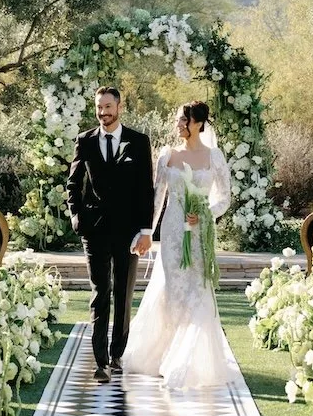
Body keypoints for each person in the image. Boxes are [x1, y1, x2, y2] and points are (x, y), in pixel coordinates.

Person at [122, 100, 241, 390]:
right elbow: (157, 198)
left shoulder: (214, 156)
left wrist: (205, 213)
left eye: (182, 120)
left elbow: (224, 197)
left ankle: (187, 360)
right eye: (177, 120)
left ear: (197, 123)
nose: (177, 124)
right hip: (172, 231)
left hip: (199, 232)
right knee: (172, 287)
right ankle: (163, 353)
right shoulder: (168, 155)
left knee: (197, 288)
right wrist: (147, 232)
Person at [66, 86, 154, 384]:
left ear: (119, 107)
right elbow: (73, 183)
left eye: (107, 106)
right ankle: (101, 361)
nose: (102, 112)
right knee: (100, 292)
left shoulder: (138, 142)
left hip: (128, 232)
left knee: (123, 293)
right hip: (94, 230)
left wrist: (145, 230)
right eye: (99, 107)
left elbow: (146, 189)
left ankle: (118, 353)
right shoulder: (85, 141)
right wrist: (76, 217)